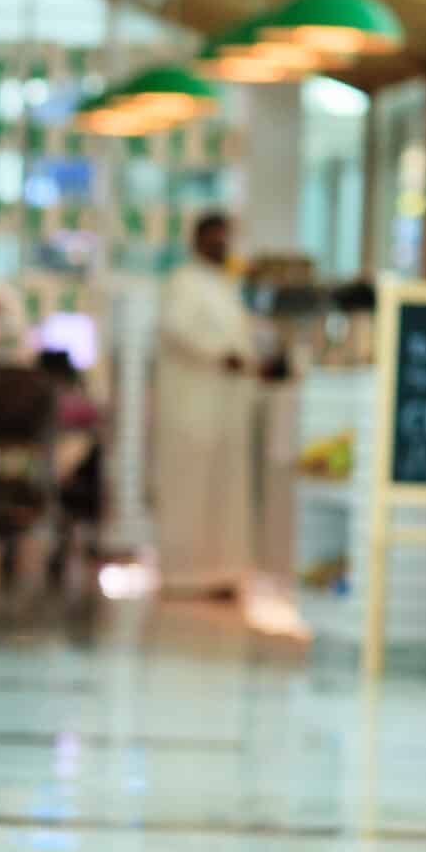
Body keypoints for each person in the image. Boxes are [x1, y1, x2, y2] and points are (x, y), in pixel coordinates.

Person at [152, 212, 260, 598]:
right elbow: (177, 330)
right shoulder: (184, 282)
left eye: (225, 239)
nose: (221, 245)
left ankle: (220, 573)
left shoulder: (225, 285)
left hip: (225, 409)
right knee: (189, 491)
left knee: (222, 494)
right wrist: (220, 355)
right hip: (191, 410)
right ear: (198, 240)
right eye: (214, 239)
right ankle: (182, 574)